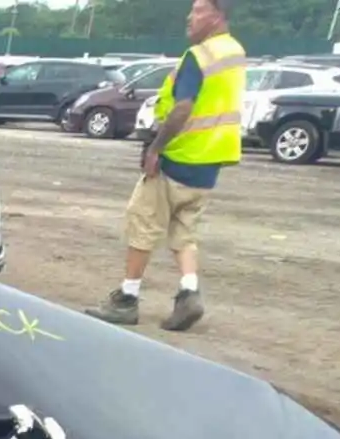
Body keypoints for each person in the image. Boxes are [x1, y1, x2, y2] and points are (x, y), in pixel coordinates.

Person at [86, 0, 245, 333]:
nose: (190, 17)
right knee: (184, 231)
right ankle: (189, 291)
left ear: (217, 15)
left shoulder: (199, 56)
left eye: (198, 10)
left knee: (142, 224)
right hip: (209, 163)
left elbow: (183, 107)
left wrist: (156, 148)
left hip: (178, 156)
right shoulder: (235, 53)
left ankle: (126, 300)